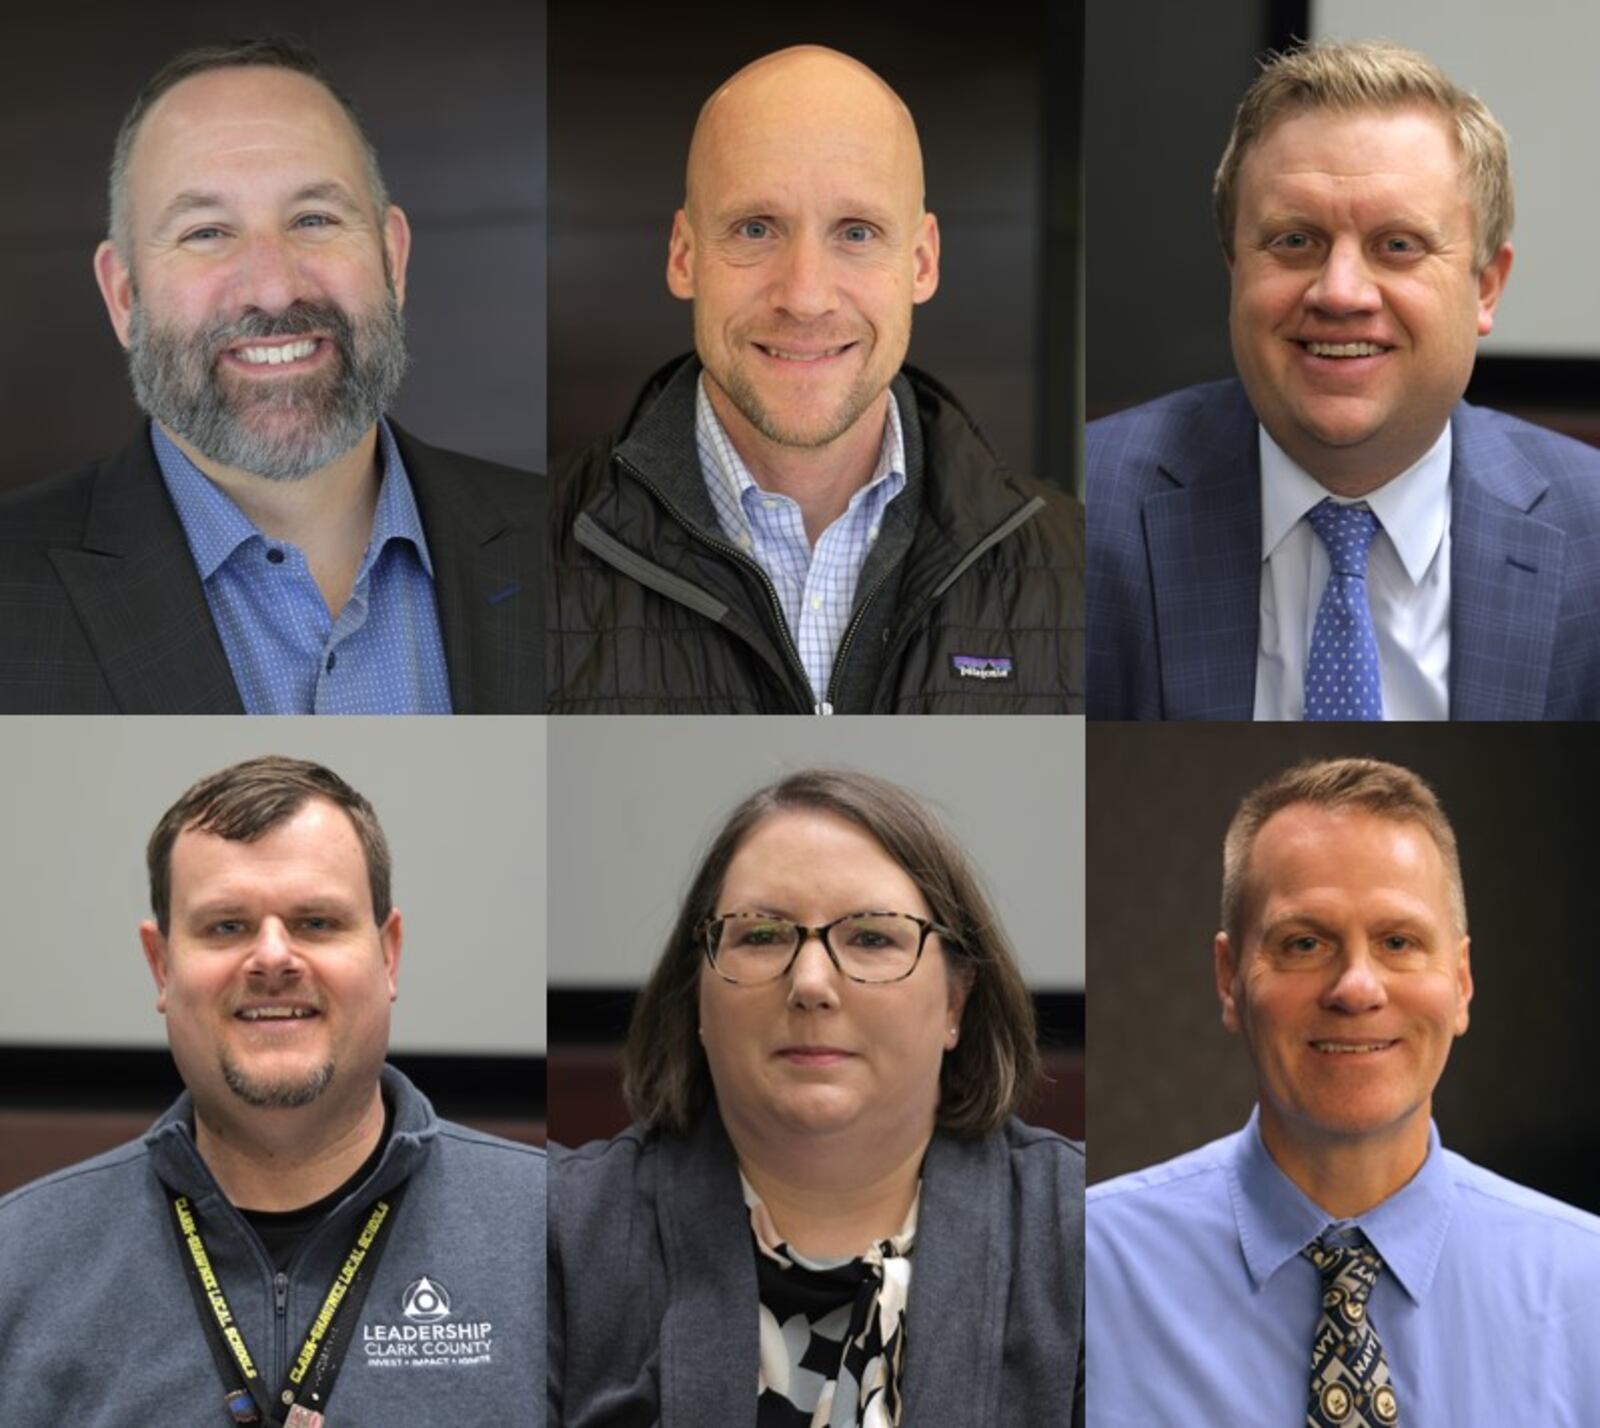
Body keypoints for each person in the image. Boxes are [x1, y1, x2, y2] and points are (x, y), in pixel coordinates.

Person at [0, 37, 542, 713]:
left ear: (392, 261)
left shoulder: (559, 541)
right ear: (123, 296)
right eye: (206, 232)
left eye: (314, 219)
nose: (275, 290)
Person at [0, 756, 545, 1426]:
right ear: (162, 966)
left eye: (316, 922)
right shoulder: (16, 1260)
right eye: (226, 926)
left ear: (389, 953)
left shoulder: (555, 1233)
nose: (273, 957)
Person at [548, 46, 1084, 714]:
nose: (805, 296)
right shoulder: (530, 550)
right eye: (755, 228)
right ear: (686, 256)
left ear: (921, 261)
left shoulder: (1082, 564)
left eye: (856, 233)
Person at [549, 768, 1083, 1425]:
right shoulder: (558, 1235)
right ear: (698, 997)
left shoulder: (1087, 1237)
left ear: (955, 1000)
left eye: (872, 936)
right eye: (762, 935)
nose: (810, 983)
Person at [1088, 40, 1600, 721]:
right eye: (1295, 241)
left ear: (1486, 288)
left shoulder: (1590, 530)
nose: (1341, 292)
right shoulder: (1090, 508)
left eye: (1398, 246)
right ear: (1234, 270)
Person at [1087, 758, 1600, 1423]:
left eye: (1397, 940)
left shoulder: (1586, 1285)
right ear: (1227, 979)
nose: (1357, 988)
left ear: (1462, 981)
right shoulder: (1086, 1270)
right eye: (1304, 943)